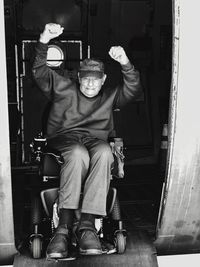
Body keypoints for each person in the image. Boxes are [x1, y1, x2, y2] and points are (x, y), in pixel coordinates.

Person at [32, 23, 142, 259]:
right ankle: (62, 229)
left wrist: (125, 62)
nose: (90, 84)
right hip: (65, 138)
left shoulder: (110, 95)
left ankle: (87, 227)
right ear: (79, 77)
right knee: (78, 153)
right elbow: (40, 71)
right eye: (86, 79)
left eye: (96, 80)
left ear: (103, 80)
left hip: (94, 141)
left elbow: (133, 89)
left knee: (104, 152)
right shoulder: (63, 87)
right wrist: (43, 40)